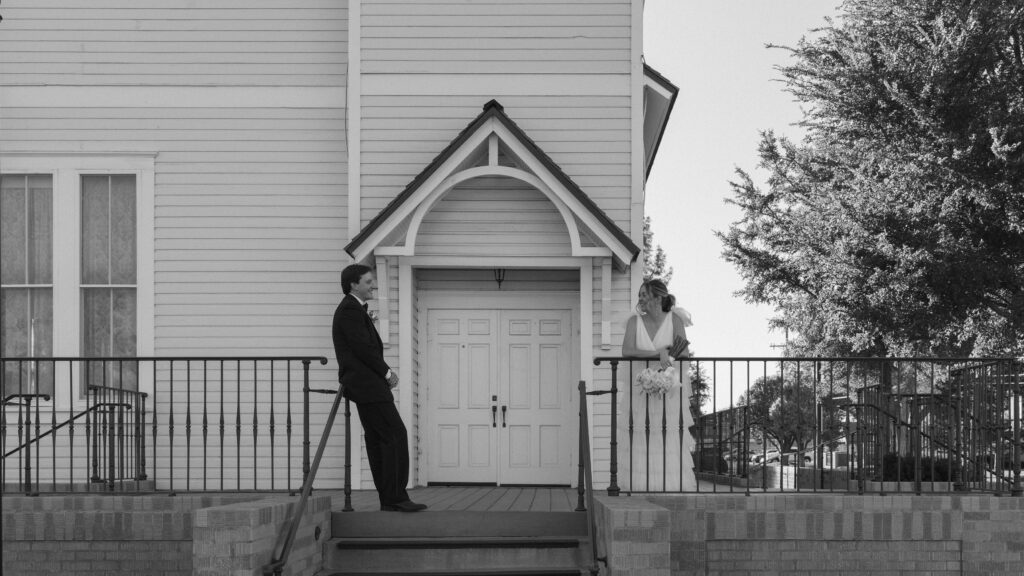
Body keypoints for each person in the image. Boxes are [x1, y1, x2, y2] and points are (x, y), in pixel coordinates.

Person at [332, 264, 427, 512]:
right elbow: (364, 349)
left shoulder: (353, 310)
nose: (372, 285)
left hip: (365, 388)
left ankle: (390, 499)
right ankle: (396, 497)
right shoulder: (350, 311)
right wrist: (387, 372)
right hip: (368, 386)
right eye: (368, 281)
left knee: (379, 441)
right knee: (395, 435)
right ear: (354, 284)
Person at [620, 278, 697, 491]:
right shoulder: (634, 321)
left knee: (668, 431)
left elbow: (684, 351)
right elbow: (627, 351)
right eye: (640, 295)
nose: (641, 299)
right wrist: (658, 352)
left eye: (644, 294)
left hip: (669, 387)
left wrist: (668, 361)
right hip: (640, 388)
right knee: (640, 432)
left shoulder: (675, 319)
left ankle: (671, 486)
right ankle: (639, 486)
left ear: (658, 296)